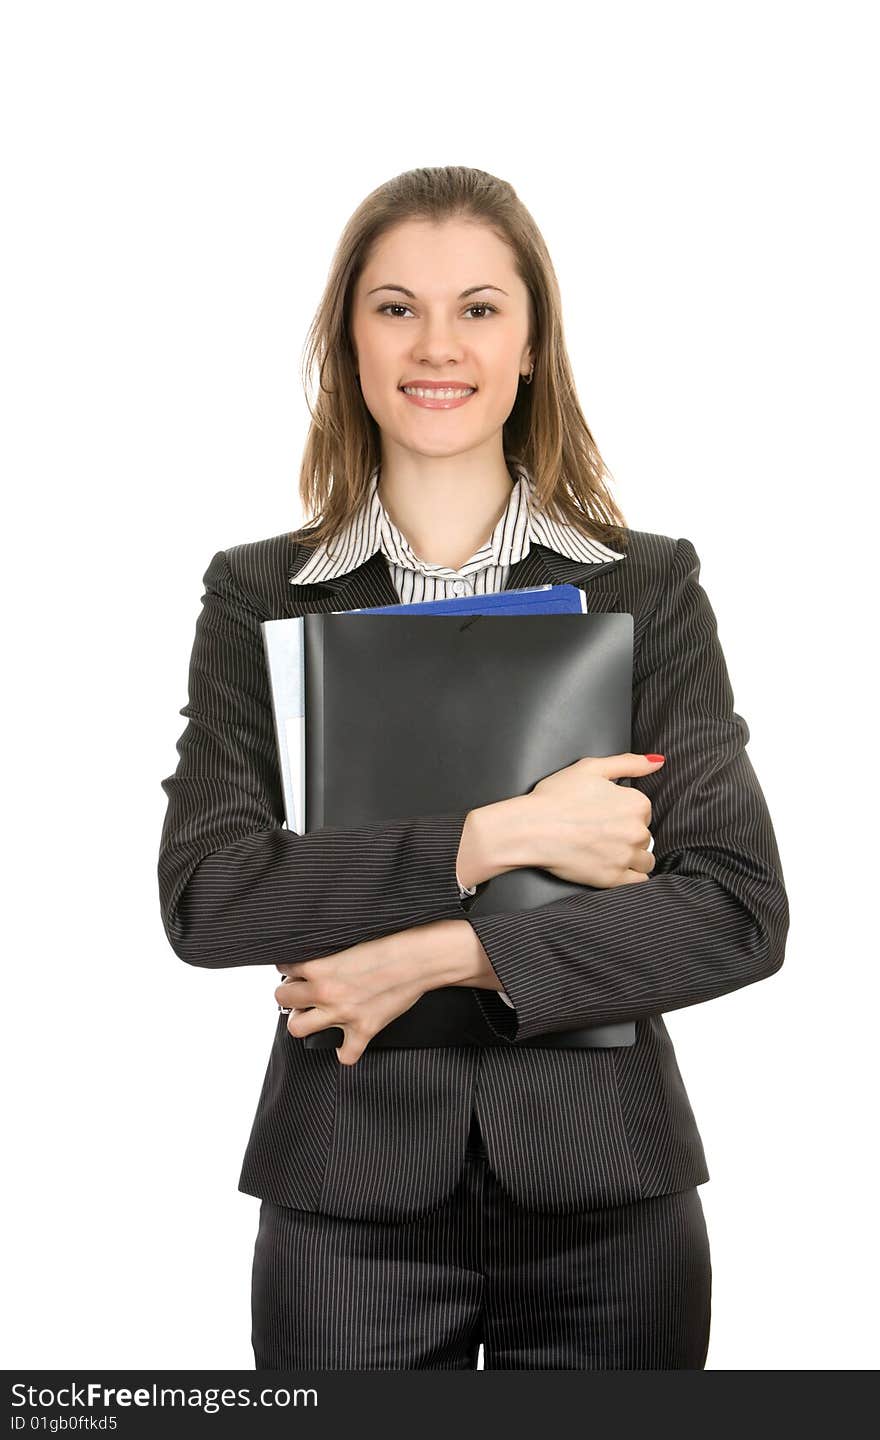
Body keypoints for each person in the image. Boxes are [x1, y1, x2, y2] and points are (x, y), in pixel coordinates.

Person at [157, 165, 789, 1370]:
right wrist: (496, 838)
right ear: (347, 342)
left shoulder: (643, 586)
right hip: (348, 1197)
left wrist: (441, 954)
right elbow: (211, 897)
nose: (435, 345)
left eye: (479, 309)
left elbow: (734, 912)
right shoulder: (258, 596)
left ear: (532, 344)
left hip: (609, 1197)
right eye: (395, 307)